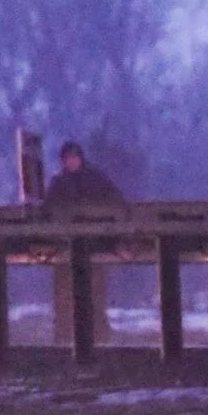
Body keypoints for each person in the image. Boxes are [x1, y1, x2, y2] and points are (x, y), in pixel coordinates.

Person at [42, 140, 125, 347]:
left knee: (95, 298)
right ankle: (63, 342)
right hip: (65, 250)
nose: (70, 162)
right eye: (66, 159)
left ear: (80, 158)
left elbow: (116, 207)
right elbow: (47, 212)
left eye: (73, 157)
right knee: (64, 300)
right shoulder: (59, 183)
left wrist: (109, 237)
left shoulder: (97, 180)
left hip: (95, 249)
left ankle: (101, 342)